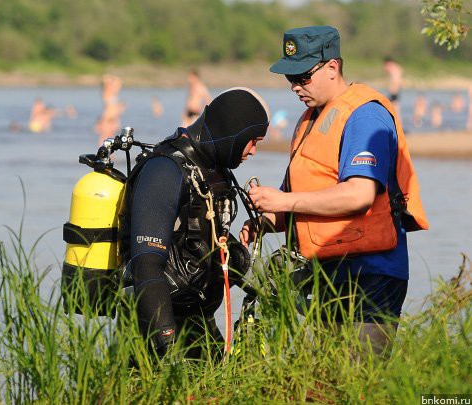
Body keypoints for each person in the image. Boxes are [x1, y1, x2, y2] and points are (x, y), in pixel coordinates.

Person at [241, 26, 428, 355]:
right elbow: (300, 204)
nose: (296, 86)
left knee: (356, 380)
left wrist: (284, 199)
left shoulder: (365, 116)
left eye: (303, 76)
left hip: (371, 273)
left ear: (332, 67)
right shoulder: (309, 120)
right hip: (329, 272)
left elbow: (359, 194)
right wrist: (267, 219)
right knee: (325, 379)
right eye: (290, 79)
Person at [123, 87, 270, 359]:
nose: (253, 151)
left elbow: (208, 241)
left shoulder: (214, 169)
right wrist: (166, 342)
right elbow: (146, 266)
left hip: (199, 322)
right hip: (157, 327)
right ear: (232, 132)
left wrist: (262, 285)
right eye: (252, 141)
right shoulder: (164, 170)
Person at [95, 74, 126, 145]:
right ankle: (101, 152)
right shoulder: (106, 92)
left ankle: (110, 154)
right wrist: (110, 80)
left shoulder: (113, 93)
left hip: (114, 117)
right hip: (107, 117)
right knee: (104, 135)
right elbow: (106, 80)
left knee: (111, 136)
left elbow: (119, 83)